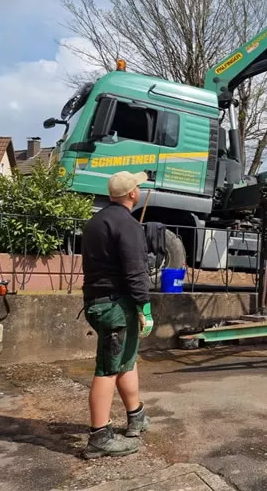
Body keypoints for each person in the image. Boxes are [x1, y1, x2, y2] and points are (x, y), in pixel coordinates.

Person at [80, 171, 155, 459]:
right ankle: (99, 436)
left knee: (126, 360)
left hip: (96, 302)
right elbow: (136, 270)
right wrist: (144, 307)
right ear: (133, 194)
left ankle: (136, 417)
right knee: (108, 369)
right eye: (138, 187)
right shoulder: (129, 225)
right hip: (116, 307)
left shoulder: (95, 222)